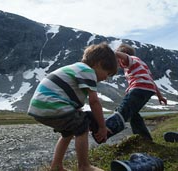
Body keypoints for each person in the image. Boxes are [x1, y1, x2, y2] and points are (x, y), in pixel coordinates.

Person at [27, 42, 118, 171]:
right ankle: (84, 166)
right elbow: (94, 102)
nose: (105, 78)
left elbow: (70, 98)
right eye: (107, 73)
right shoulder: (88, 71)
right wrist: (102, 127)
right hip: (52, 104)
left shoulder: (76, 69)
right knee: (82, 125)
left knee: (68, 132)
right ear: (98, 63)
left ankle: (56, 166)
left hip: (39, 107)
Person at [90, 43, 167, 144]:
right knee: (133, 114)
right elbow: (152, 81)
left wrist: (109, 54)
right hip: (148, 90)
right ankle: (144, 138)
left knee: (123, 110)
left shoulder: (129, 60)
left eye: (118, 60)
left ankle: (106, 131)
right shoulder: (142, 64)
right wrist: (160, 96)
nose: (117, 62)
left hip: (138, 88)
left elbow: (120, 55)